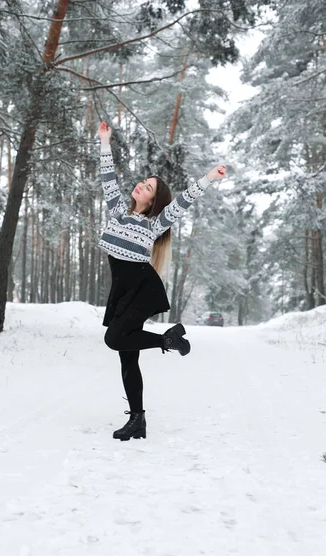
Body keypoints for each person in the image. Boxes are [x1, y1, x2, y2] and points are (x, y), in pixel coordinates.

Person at [97, 121, 226, 441]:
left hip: (142, 290)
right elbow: (108, 178)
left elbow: (183, 201)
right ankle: (137, 421)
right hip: (122, 290)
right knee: (126, 356)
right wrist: (104, 142)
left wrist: (209, 177)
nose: (141, 185)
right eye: (142, 182)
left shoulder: (155, 222)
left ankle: (167, 340)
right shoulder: (117, 211)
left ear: (155, 201)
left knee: (114, 339)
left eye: (149, 187)